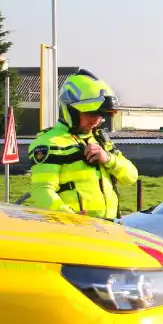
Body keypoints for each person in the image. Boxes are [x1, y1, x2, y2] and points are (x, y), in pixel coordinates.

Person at [27, 69, 138, 221]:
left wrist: (107, 159)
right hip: (73, 230)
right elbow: (42, 190)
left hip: (110, 227)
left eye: (100, 114)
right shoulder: (49, 143)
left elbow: (131, 177)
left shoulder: (101, 141)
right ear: (71, 110)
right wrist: (69, 217)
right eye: (90, 113)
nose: (96, 120)